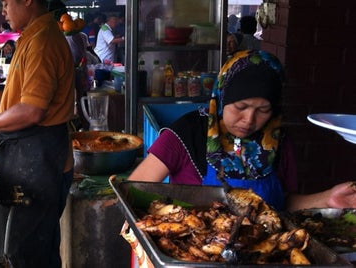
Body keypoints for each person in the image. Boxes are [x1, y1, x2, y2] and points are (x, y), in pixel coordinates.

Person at [127, 50, 356, 212]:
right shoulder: (186, 133)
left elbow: (282, 204)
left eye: (263, 110)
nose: (249, 120)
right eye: (240, 107)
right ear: (222, 97)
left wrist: (327, 199)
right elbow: (134, 192)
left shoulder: (277, 142)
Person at [0, 0, 75, 265]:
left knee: (30, 253)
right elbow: (24, 97)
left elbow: (32, 111)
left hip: (41, 160)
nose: (4, 10)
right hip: (30, 156)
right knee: (29, 246)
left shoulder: (43, 41)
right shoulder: (32, 36)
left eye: (7, 3)